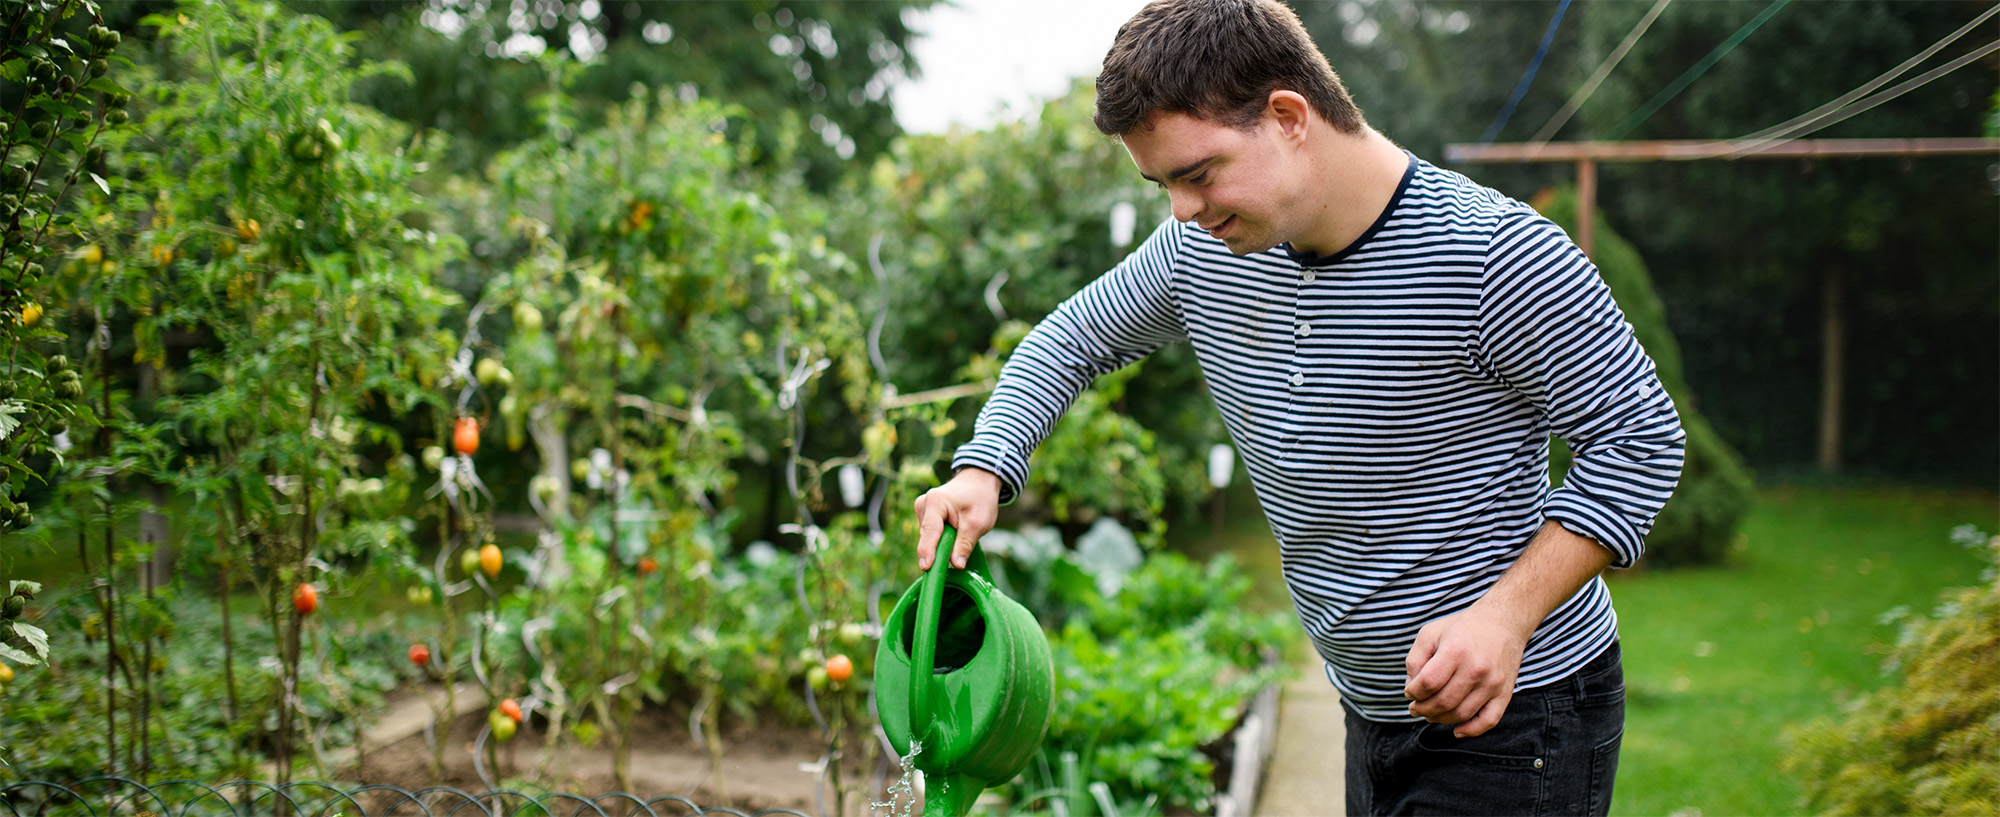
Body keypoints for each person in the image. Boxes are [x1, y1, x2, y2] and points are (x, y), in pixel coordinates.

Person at [911, 0, 1685, 814]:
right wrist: (983, 466)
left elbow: (1639, 441)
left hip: (1521, 714)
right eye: (1161, 183)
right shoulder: (1201, 252)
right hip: (1371, 705)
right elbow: (1069, 339)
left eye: (1197, 173)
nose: (1180, 209)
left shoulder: (1491, 255)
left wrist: (1505, 617)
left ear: (1287, 116)